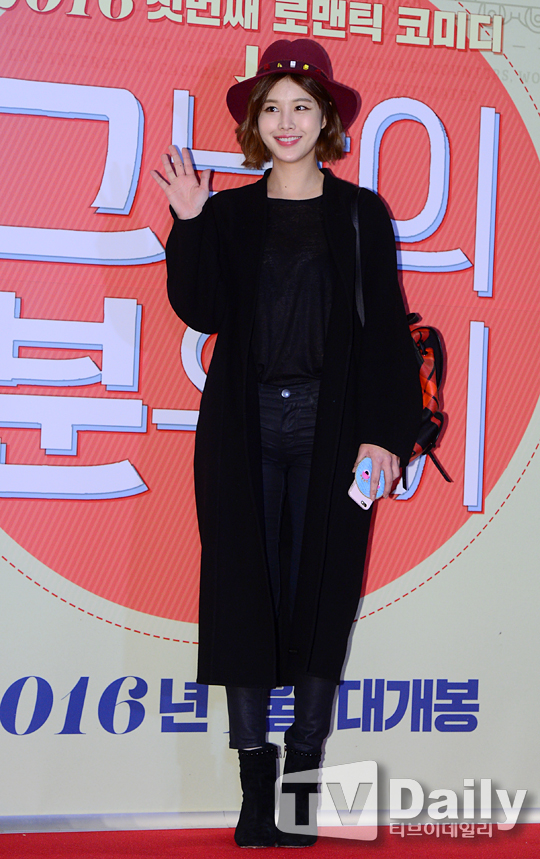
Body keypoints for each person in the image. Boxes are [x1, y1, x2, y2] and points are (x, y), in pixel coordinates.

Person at [152, 38, 422, 848]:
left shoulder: (360, 214)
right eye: (271, 107)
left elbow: (386, 336)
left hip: (330, 430)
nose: (286, 121)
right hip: (243, 431)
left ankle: (302, 780)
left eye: (302, 106)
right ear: (254, 124)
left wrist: (385, 435)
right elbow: (202, 309)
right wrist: (189, 223)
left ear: (326, 118)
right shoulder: (230, 214)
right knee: (241, 595)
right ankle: (252, 793)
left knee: (322, 596)